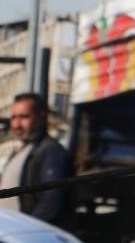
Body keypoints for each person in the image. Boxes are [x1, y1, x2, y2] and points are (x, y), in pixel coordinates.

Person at [0, 93, 70, 225]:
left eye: (24, 117)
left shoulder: (49, 150)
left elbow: (51, 201)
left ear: (42, 117)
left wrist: (26, 230)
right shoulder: (21, 150)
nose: (16, 124)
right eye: (13, 117)